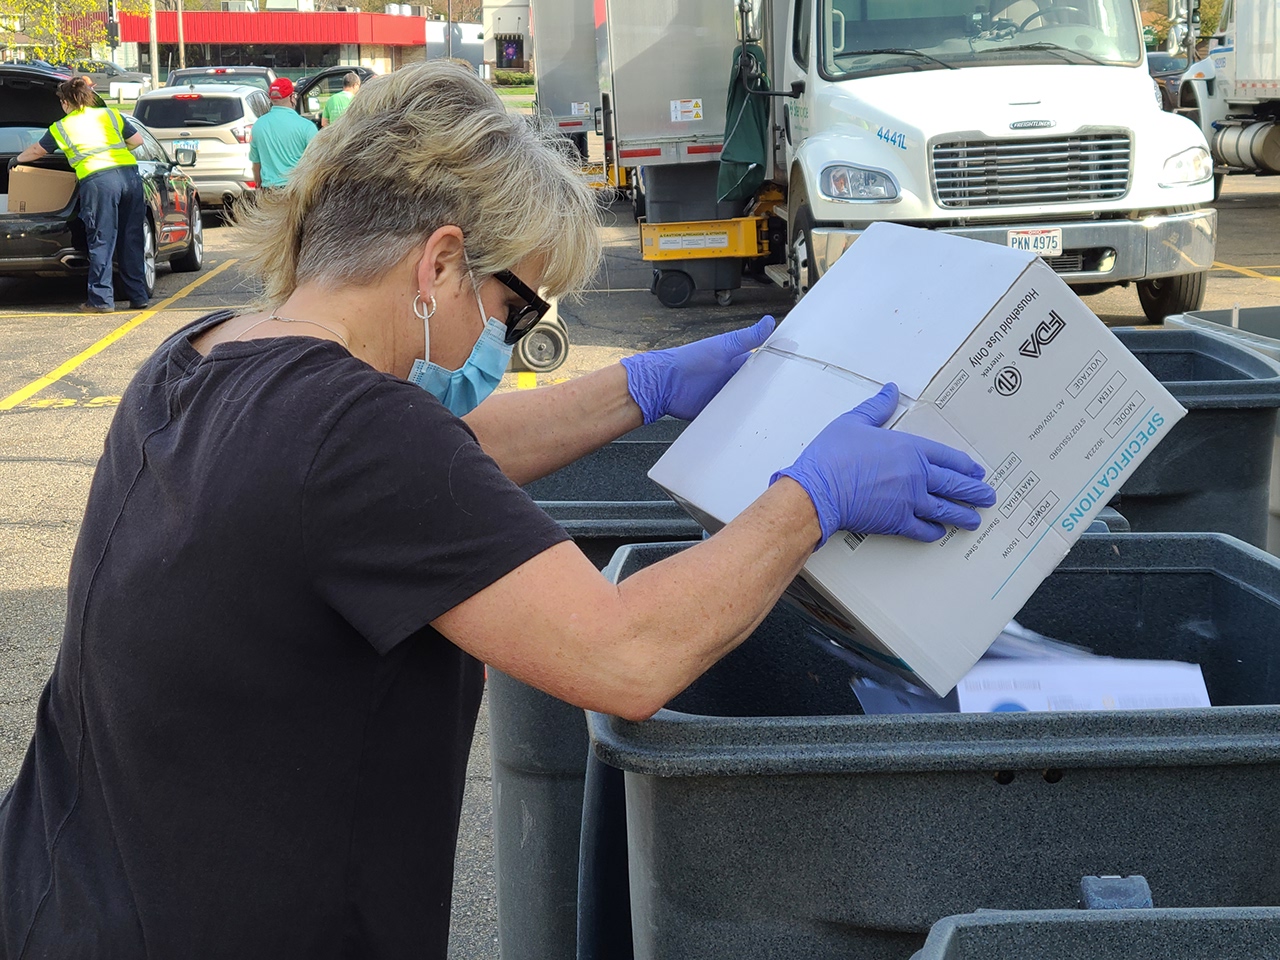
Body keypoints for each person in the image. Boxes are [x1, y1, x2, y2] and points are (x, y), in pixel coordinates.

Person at [0, 61, 994, 959]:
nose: (511, 336)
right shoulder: (357, 432)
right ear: (437, 264)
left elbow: (430, 480)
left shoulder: (208, 358)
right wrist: (810, 501)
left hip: (67, 891)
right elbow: (624, 656)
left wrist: (640, 387)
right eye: (515, 306)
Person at [9, 76, 149, 313]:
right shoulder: (111, 115)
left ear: (65, 102)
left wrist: (16, 160)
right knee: (131, 238)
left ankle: (101, 300)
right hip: (130, 177)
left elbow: (36, 151)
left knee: (102, 240)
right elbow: (136, 140)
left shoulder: (63, 126)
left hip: (99, 181)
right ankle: (138, 296)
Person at [248, 76, 317, 192]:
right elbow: (316, 161)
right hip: (297, 190)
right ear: (292, 97)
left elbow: (256, 164)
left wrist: (258, 183)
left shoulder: (258, 126)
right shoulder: (307, 126)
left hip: (269, 190)